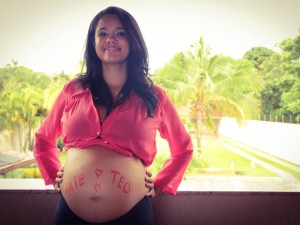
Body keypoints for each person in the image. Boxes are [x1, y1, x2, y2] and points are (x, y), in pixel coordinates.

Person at [34, 6, 193, 225]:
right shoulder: (72, 90)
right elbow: (43, 139)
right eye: (102, 33)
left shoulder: (154, 96)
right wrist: (53, 174)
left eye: (120, 33)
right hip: (70, 215)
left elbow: (183, 149)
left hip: (132, 216)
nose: (110, 39)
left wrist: (158, 184)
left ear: (132, 41)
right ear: (93, 42)